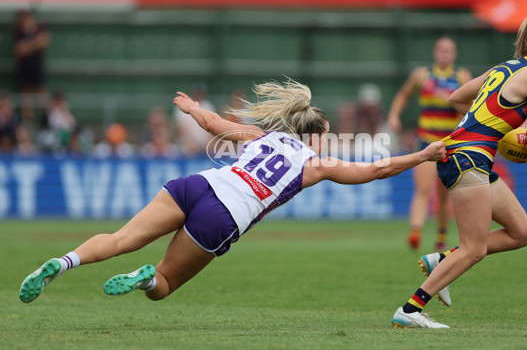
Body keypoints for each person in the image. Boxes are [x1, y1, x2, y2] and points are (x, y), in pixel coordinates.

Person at [19, 80, 446, 304]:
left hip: (198, 185)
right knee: (166, 283)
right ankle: (145, 278)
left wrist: (190, 108)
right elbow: (375, 171)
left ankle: (63, 261)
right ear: (316, 136)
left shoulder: (260, 136)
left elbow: (211, 124)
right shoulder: (316, 164)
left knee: (119, 239)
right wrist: (422, 156)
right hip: (222, 217)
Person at [391, 18, 527, 329]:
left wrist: (487, 122)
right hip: (468, 156)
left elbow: (455, 99)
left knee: (522, 232)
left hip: (467, 154)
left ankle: (442, 261)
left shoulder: (502, 68)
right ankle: (410, 310)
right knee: (474, 248)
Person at [387, 36, 472, 251]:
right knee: (422, 189)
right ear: (435, 53)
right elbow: (402, 95)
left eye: (449, 50)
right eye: (441, 50)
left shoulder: (462, 76)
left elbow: (472, 106)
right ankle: (416, 230)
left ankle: (441, 235)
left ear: (454, 54)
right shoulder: (422, 75)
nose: (445, 54)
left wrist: (451, 99)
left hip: (450, 142)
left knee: (444, 194)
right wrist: (394, 115)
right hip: (425, 139)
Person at [13, 9, 51, 124]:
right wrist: (34, 43)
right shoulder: (19, 32)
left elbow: (45, 41)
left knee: (41, 92)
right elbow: (19, 50)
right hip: (25, 68)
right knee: (26, 94)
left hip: (37, 67)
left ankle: (45, 120)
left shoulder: (38, 29)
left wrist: (28, 45)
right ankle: (27, 121)